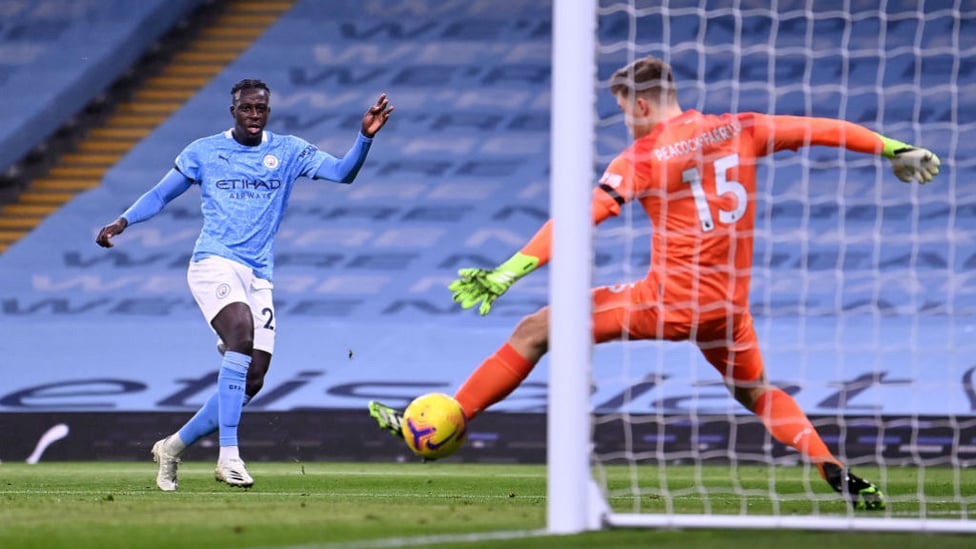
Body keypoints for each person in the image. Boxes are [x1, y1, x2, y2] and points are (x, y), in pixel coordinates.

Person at [369, 56, 941, 510]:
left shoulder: (642, 156)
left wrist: (509, 270)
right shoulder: (740, 128)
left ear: (640, 103)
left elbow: (580, 217)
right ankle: (827, 465)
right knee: (757, 392)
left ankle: (450, 420)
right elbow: (820, 129)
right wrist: (893, 147)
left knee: (535, 330)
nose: (625, 120)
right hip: (727, 309)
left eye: (623, 110)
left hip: (667, 304)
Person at [96, 79, 393, 490]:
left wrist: (364, 137)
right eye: (247, 109)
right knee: (240, 334)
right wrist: (123, 220)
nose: (254, 116)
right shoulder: (203, 151)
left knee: (253, 378)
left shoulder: (288, 151)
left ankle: (172, 448)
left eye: (261, 109)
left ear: (268, 111)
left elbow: (343, 174)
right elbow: (161, 194)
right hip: (213, 263)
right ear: (233, 111)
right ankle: (229, 456)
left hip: (258, 275)